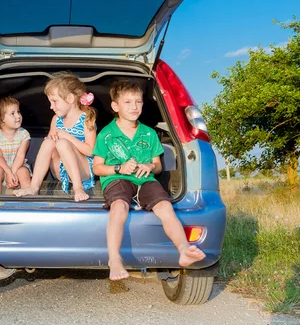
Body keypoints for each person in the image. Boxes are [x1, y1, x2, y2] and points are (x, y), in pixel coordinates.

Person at [92, 79, 205, 281]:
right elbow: (97, 167)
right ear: (115, 106)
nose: (134, 107)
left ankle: (184, 249)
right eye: (127, 102)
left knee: (165, 207)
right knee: (119, 206)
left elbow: (158, 165)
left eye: (138, 101)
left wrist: (150, 166)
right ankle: (115, 258)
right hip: (117, 178)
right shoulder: (106, 134)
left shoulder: (150, 133)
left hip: (145, 180)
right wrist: (118, 167)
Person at [14, 72, 96, 202]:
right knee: (48, 143)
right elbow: (51, 144)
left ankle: (78, 188)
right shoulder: (56, 119)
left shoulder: (86, 119)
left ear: (70, 98)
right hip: (62, 171)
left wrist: (67, 137)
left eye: (55, 101)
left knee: (63, 143)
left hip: (83, 172)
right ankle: (34, 187)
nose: (51, 107)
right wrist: (52, 140)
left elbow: (91, 151)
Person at [0, 96, 32, 194]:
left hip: (17, 166)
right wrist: (8, 172)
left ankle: (29, 199)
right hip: (0, 166)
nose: (18, 116)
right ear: (0, 120)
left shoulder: (24, 134)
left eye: (18, 112)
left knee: (23, 171)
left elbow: (20, 156)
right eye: (12, 113)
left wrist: (13, 172)